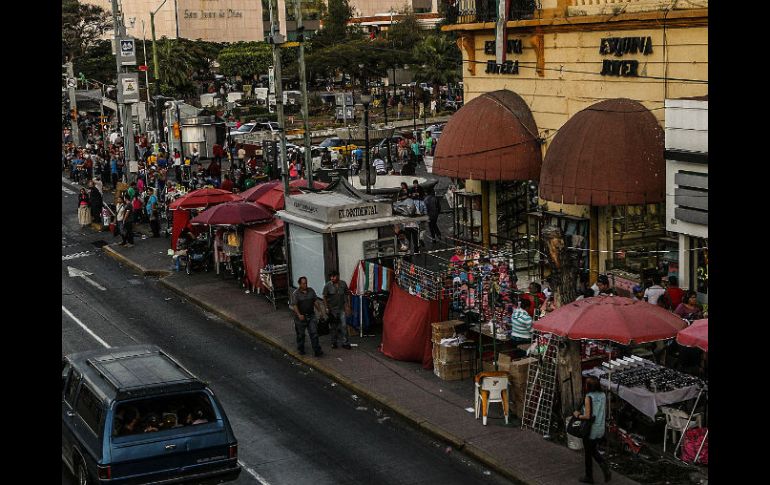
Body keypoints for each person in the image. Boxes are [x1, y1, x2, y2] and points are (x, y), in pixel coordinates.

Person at [573, 376, 611, 484]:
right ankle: (604, 467)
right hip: (600, 428)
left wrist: (578, 415)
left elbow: (588, 416)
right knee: (592, 450)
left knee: (588, 454)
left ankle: (589, 476)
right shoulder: (603, 395)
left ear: (589, 386)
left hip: (590, 429)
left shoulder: (588, 397)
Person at [290, 276, 323, 357]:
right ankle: (301, 348)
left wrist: (320, 311)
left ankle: (317, 350)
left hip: (311, 315)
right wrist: (299, 315)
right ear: (299, 284)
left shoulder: (311, 291)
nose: (305, 285)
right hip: (300, 317)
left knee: (314, 333)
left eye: (306, 283)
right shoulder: (296, 294)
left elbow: (315, 301)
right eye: (303, 283)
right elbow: (294, 305)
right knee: (301, 334)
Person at [322, 270, 352, 350]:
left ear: (337, 276)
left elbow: (347, 294)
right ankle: (334, 342)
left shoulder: (343, 284)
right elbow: (324, 296)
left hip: (341, 308)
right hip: (332, 310)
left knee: (344, 325)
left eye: (333, 276)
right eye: (331, 277)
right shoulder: (328, 285)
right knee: (333, 327)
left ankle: (345, 343)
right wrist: (326, 307)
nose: (332, 278)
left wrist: (348, 305)